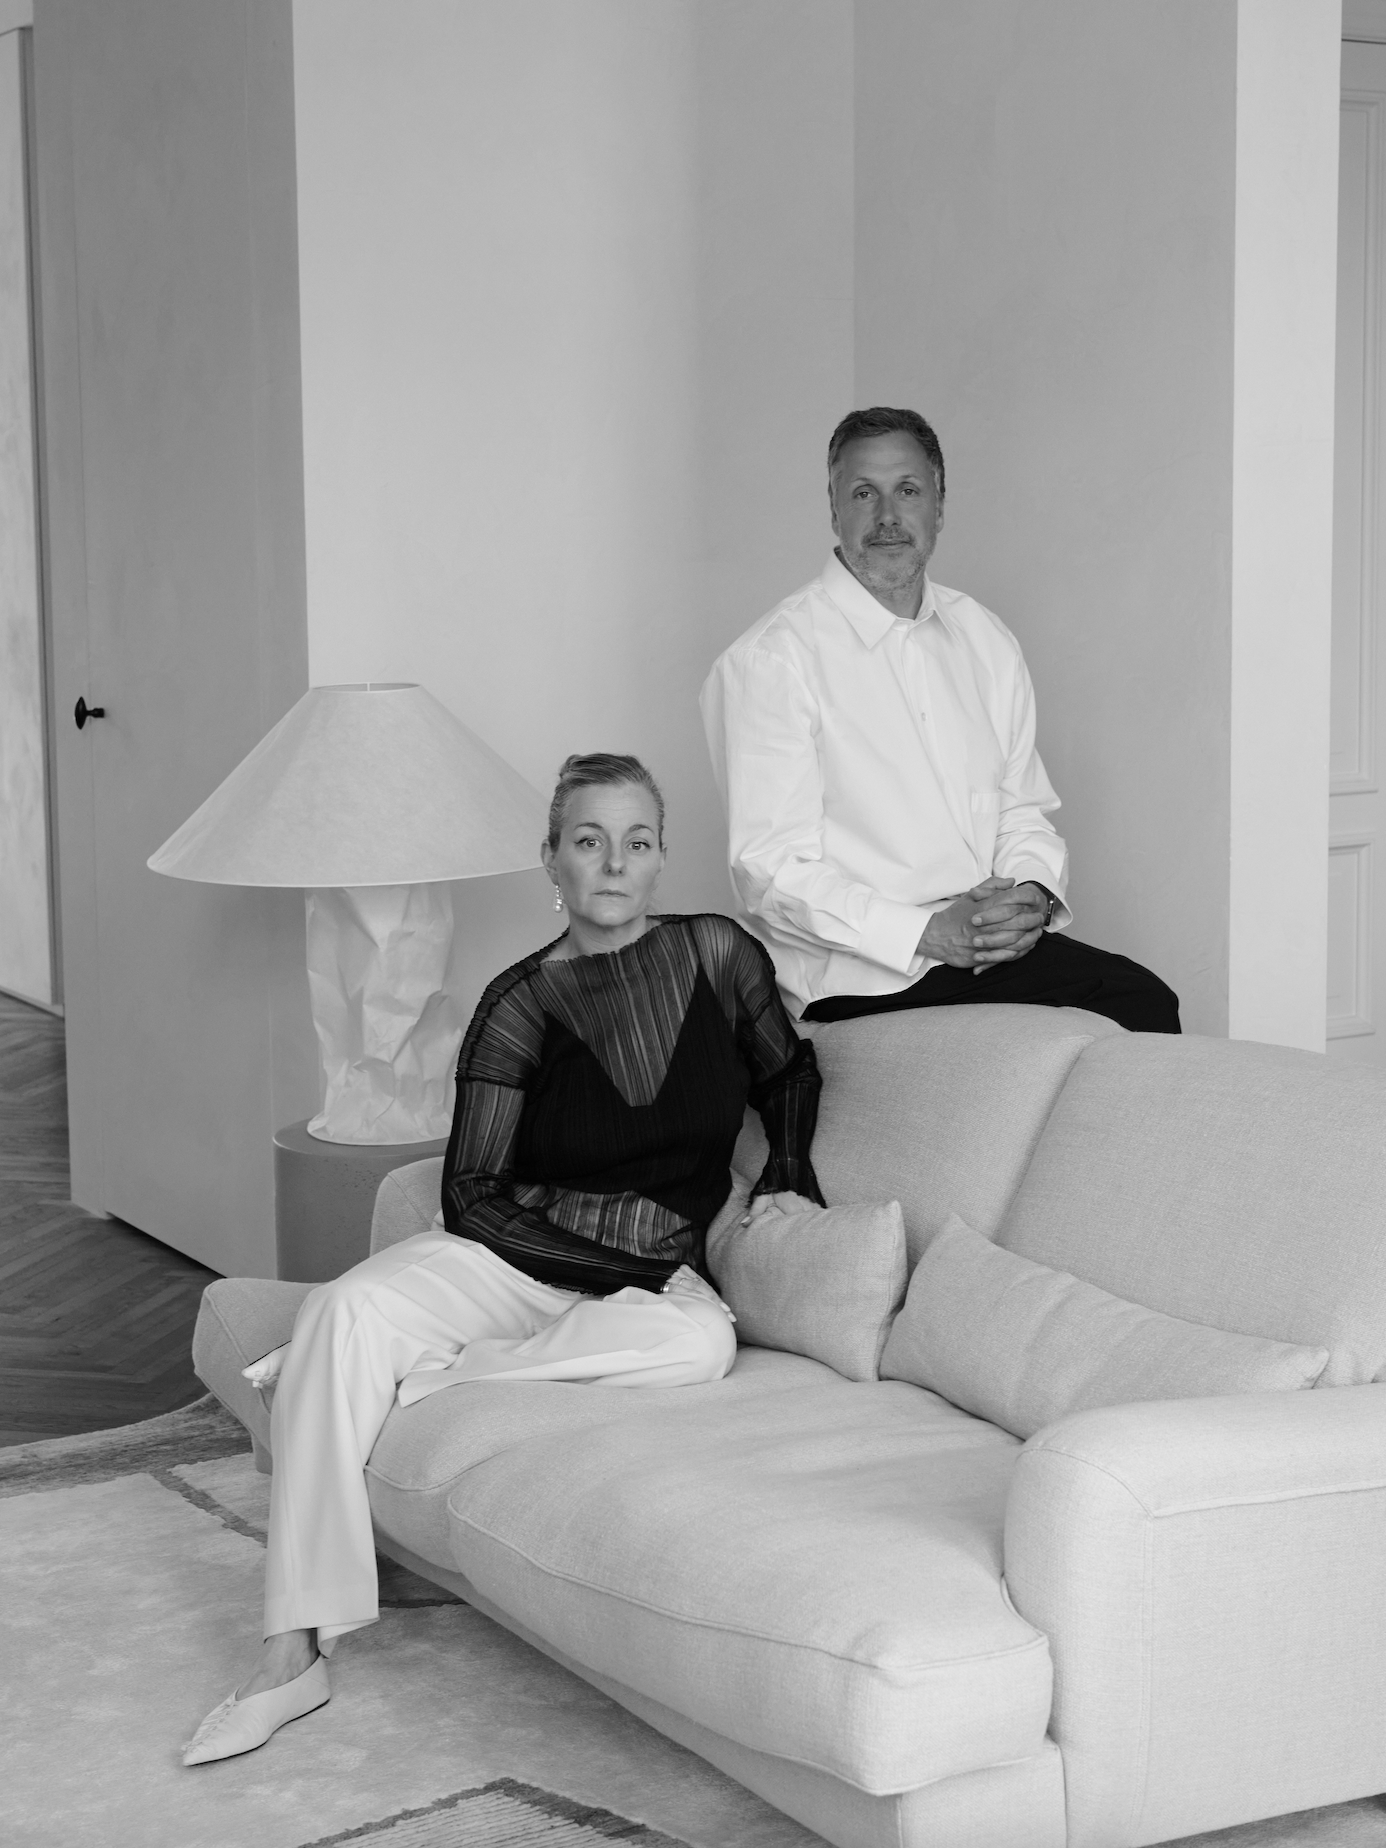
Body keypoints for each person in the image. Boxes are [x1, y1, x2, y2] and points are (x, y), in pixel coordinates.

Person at [183, 752, 824, 1767]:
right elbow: (468, 1196)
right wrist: (602, 1263)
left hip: (647, 1284)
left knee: (699, 1346)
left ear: (660, 860)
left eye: (638, 840)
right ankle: (288, 1658)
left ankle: (385, 1379)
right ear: (553, 863)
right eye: (588, 839)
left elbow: (789, 1068)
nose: (614, 862)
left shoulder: (718, 955)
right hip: (508, 1259)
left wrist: (788, 1171)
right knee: (350, 1311)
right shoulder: (518, 1003)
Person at [700, 405, 1180, 1034]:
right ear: (834, 508)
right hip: (860, 972)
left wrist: (1031, 895)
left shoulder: (984, 638)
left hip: (981, 949)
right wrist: (929, 933)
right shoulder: (771, 660)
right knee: (1136, 1006)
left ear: (939, 507)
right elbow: (770, 873)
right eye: (864, 493)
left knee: (1143, 1002)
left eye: (908, 490)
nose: (888, 517)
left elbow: (1020, 808)